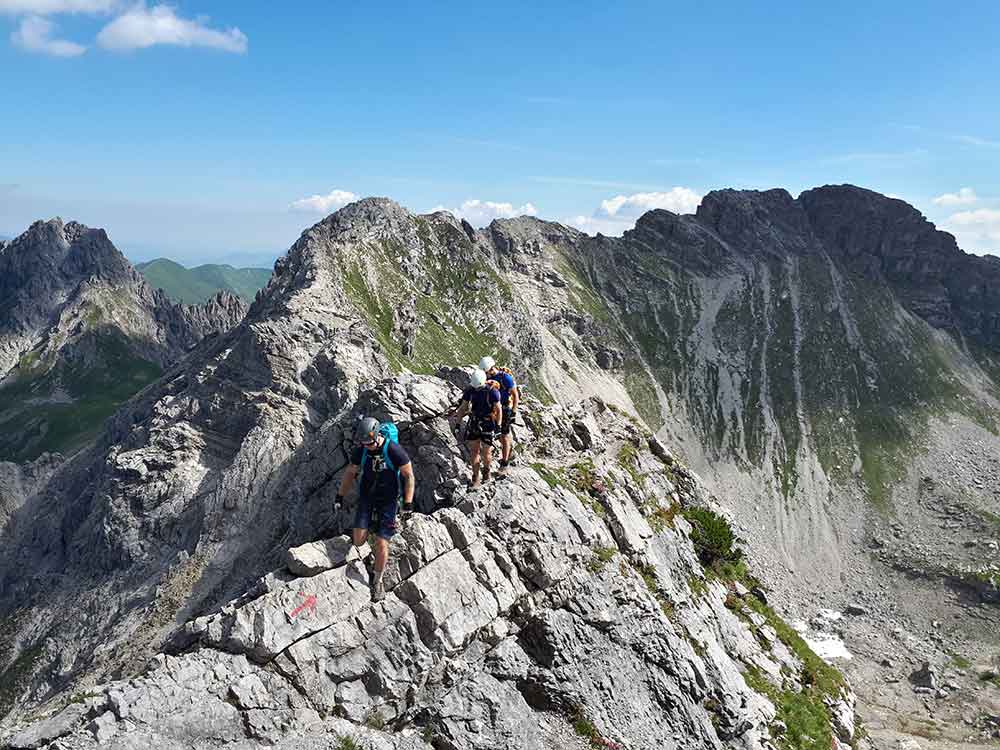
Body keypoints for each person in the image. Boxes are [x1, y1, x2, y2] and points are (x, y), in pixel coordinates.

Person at [335, 417, 415, 602]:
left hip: (388, 500)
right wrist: (340, 496)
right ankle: (372, 537)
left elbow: (409, 476)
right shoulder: (362, 450)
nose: (368, 447)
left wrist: (407, 503)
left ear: (377, 435)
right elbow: (350, 473)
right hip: (367, 496)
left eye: (370, 443)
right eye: (364, 444)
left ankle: (377, 581)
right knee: (358, 541)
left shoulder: (393, 450)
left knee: (382, 543)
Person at [451, 368, 501, 487]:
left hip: (479, 422)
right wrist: (498, 426)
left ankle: (481, 475)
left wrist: (458, 424)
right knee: (480, 451)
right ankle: (480, 475)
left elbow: (463, 408)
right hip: (484, 423)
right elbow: (498, 410)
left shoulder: (475, 390)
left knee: (481, 452)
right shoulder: (490, 391)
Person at [479, 356, 519, 475]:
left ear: (491, 369)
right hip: (494, 409)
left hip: (505, 409)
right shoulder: (488, 377)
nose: (486, 375)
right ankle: (508, 451)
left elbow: (515, 395)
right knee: (500, 435)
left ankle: (504, 463)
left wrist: (513, 412)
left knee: (504, 435)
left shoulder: (505, 378)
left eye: (487, 372)